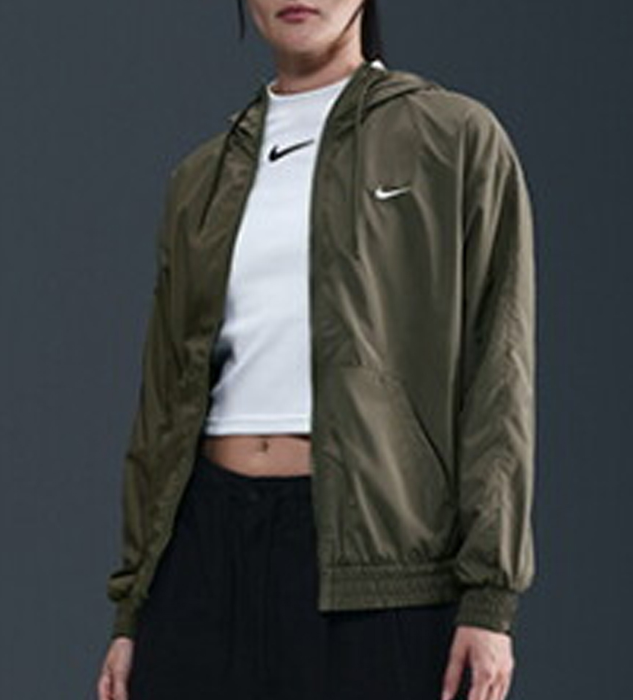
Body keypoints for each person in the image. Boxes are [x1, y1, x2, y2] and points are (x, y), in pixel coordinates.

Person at [96, 1, 537, 699]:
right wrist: (133, 606)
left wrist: (490, 597)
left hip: (375, 563)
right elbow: (161, 398)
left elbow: (498, 372)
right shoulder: (202, 176)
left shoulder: (452, 138)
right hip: (201, 552)